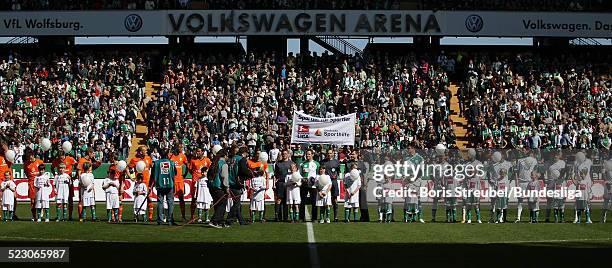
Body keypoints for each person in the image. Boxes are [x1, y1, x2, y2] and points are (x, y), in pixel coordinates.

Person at [151, 148, 177, 226]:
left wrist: (150, 185)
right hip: (169, 185)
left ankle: (160, 220)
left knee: (160, 202)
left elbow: (152, 175)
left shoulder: (156, 163)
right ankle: (170, 220)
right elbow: (175, 173)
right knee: (170, 202)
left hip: (160, 184)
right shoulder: (171, 163)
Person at [226, 146, 251, 226]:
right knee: (237, 203)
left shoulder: (232, 158)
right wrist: (251, 174)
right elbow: (243, 170)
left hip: (230, 181)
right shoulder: (242, 159)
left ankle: (241, 220)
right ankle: (229, 219)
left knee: (237, 202)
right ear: (245, 153)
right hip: (237, 183)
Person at [129, 146, 154, 221]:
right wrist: (131, 177)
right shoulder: (134, 160)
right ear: (140, 152)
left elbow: (152, 167)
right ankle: (137, 216)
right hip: (139, 184)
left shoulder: (148, 158)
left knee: (150, 199)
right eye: (145, 150)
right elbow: (128, 168)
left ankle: (150, 217)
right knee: (137, 200)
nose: (146, 152)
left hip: (147, 183)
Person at [208, 148, 229, 228]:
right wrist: (227, 188)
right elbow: (224, 177)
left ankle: (220, 222)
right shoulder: (223, 164)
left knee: (217, 204)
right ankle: (214, 220)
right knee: (222, 204)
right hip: (219, 187)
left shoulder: (214, 163)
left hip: (212, 186)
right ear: (225, 155)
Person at [52, 152, 77, 221]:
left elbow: (77, 165)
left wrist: (75, 176)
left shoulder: (70, 159)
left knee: (70, 199)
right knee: (59, 202)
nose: (61, 159)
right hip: (60, 183)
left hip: (68, 182)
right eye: (59, 157)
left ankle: (70, 216)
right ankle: (59, 216)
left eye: (62, 157)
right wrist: (55, 175)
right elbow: (52, 167)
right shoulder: (56, 160)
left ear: (64, 155)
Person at [515, 149, 537, 223]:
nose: (525, 152)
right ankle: (518, 218)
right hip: (521, 182)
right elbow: (517, 172)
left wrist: (535, 182)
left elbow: (536, 172)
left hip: (530, 182)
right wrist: (516, 182)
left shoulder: (534, 160)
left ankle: (532, 218)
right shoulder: (519, 160)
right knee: (520, 201)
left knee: (530, 201)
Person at [188, 148, 211, 220]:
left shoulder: (207, 160)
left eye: (199, 151)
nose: (197, 153)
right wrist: (195, 177)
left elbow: (210, 169)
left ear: (202, 152)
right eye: (196, 151)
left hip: (204, 183)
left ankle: (205, 217)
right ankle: (192, 216)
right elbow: (190, 170)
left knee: (205, 199)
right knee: (194, 199)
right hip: (196, 182)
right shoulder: (193, 160)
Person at [170, 145, 188, 221]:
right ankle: (170, 216)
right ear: (176, 148)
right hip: (172, 180)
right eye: (180, 148)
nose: (181, 149)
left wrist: (185, 174)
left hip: (180, 180)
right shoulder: (170, 156)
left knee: (181, 199)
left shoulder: (183, 156)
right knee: (171, 199)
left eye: (181, 148)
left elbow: (187, 165)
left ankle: (183, 216)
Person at [300, 149, 319, 222]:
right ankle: (302, 218)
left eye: (309, 154)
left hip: (313, 186)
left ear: (312, 155)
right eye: (307, 154)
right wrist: (302, 179)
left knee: (314, 202)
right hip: (304, 185)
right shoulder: (302, 164)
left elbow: (318, 174)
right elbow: (300, 174)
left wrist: (314, 181)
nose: (308, 156)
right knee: (303, 201)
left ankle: (314, 218)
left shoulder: (316, 164)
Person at [25, 148, 44, 221]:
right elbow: (27, 173)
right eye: (28, 156)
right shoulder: (26, 164)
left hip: (39, 183)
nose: (30, 158)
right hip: (31, 183)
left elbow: (43, 171)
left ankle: (41, 209)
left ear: (33, 155)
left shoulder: (40, 162)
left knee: (39, 199)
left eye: (31, 156)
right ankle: (34, 216)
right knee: (32, 201)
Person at [274, 149, 292, 222]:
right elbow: (275, 175)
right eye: (283, 154)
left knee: (286, 200)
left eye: (285, 153)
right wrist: (274, 184)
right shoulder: (278, 164)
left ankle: (285, 217)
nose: (284, 155)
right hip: (280, 183)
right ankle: (277, 216)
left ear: (288, 154)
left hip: (288, 184)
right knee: (279, 199)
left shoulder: (291, 163)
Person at [322, 149, 340, 222]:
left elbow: (338, 171)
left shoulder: (336, 162)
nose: (329, 154)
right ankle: (326, 217)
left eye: (330, 153)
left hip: (334, 182)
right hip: (326, 182)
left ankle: (335, 217)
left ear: (333, 153)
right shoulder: (323, 162)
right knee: (325, 199)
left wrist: (335, 176)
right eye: (328, 153)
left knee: (335, 200)